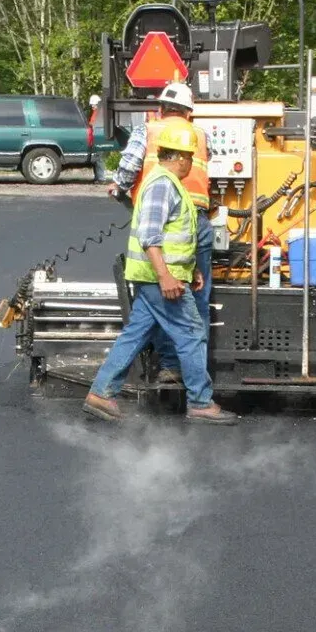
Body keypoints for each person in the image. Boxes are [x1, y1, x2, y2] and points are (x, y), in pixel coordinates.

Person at [84, 120, 238, 425]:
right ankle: (200, 402)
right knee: (193, 333)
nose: (191, 164)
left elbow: (175, 237)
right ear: (180, 157)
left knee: (136, 333)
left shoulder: (166, 183)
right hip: (159, 280)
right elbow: (150, 236)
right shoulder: (162, 186)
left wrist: (189, 270)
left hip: (158, 278)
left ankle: (102, 392)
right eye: (190, 158)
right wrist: (167, 276)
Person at [108, 80, 214, 385]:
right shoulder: (201, 136)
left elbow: (128, 168)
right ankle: (195, 374)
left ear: (161, 108)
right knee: (196, 300)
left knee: (160, 297)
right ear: (189, 112)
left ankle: (169, 366)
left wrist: (120, 187)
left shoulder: (148, 130)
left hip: (162, 217)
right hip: (198, 222)